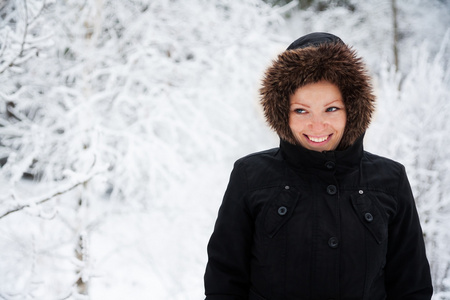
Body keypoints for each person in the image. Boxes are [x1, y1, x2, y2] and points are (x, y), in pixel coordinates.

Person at [203, 32, 433, 299]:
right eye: (301, 110)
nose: (317, 124)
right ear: (282, 113)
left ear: (353, 110)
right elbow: (224, 282)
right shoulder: (250, 176)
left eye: (331, 109)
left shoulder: (390, 180)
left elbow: (411, 287)